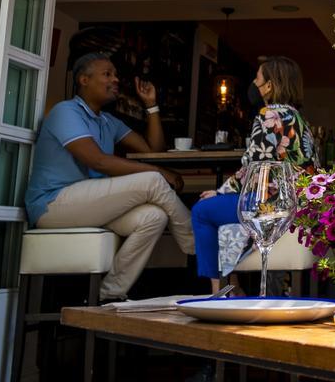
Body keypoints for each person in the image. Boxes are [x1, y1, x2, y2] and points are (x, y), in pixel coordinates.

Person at [24, 52, 195, 301]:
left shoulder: (107, 121)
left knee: (153, 216)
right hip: (53, 204)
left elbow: (152, 151)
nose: (115, 79)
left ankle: (109, 294)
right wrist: (158, 172)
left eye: (115, 74)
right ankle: (197, 244)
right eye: (107, 74)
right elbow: (98, 161)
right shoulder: (66, 112)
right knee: (153, 180)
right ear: (84, 80)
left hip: (88, 203)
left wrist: (151, 106)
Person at [191, 56, 316, 293]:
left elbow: (254, 168)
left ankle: (220, 289)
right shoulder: (300, 120)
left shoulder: (268, 115)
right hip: (295, 202)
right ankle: (232, 285)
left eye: (257, 78)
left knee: (202, 211)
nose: (254, 83)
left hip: (268, 203)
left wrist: (220, 192)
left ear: (269, 85)